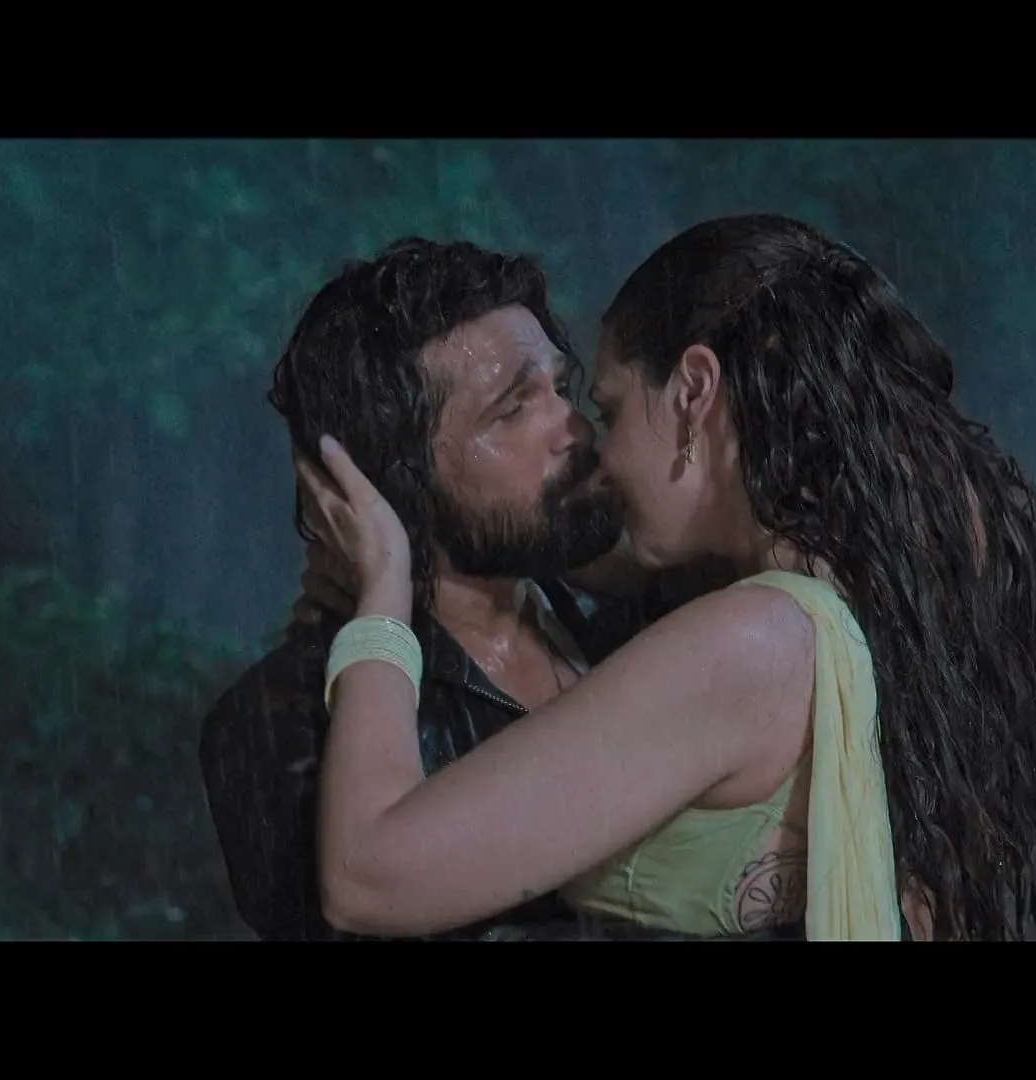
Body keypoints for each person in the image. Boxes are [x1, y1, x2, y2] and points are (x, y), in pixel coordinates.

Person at [295, 214, 1036, 942]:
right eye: (515, 412)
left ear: (695, 391)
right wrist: (489, 534)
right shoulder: (894, 588)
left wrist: (383, 590)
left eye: (606, 408)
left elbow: (367, 879)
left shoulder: (750, 642)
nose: (595, 449)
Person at [196, 237, 750, 941]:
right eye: (513, 409)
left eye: (560, 388)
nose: (574, 427)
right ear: (393, 481)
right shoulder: (281, 720)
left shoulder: (646, 621)